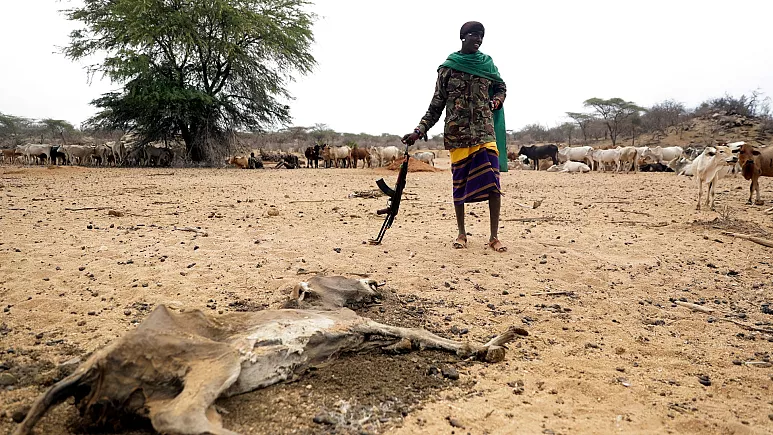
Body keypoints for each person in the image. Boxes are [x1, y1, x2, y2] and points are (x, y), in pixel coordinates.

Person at [402, 21, 507, 252]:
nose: (478, 39)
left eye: (481, 36)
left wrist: (497, 100)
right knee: (459, 185)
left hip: (484, 132)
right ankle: (461, 233)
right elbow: (436, 104)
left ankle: (493, 236)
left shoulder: (487, 64)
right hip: (457, 135)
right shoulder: (448, 68)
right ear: (463, 37)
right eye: (473, 35)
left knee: (493, 183)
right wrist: (419, 130)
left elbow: (501, 87)